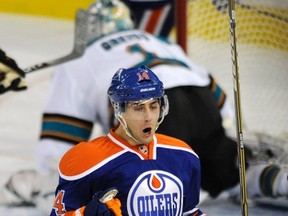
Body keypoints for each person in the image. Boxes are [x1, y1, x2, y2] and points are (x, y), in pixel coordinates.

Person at [0, 0, 287, 213]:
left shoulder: (82, 57)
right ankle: (276, 180)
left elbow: (60, 141)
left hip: (148, 112)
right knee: (229, 172)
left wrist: (50, 178)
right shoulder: (159, 41)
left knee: (124, 184)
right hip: (201, 102)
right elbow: (212, 89)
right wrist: (232, 136)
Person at [49, 65, 206, 216]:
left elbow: (190, 212)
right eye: (138, 108)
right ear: (118, 109)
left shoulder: (183, 155)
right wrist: (85, 214)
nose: (148, 117)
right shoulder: (88, 161)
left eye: (153, 106)